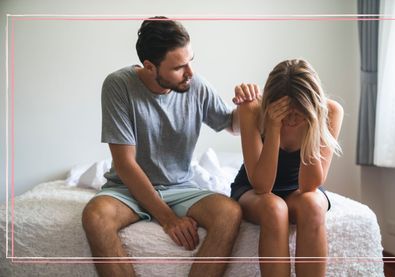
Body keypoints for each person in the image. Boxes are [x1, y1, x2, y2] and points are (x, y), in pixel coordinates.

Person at [82, 16, 247, 277]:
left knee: (229, 212)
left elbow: (233, 125)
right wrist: (169, 219)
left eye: (191, 61)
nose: (190, 73)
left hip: (181, 187)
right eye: (179, 67)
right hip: (127, 190)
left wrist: (246, 104)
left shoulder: (196, 85)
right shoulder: (118, 85)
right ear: (149, 67)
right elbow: (125, 164)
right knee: (96, 216)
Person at [231, 59, 343, 277]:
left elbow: (310, 186)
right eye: (285, 113)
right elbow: (262, 186)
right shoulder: (252, 109)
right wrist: (273, 127)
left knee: (313, 204)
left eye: (298, 112)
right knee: (274, 208)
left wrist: (311, 126)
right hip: (254, 189)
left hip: (300, 188)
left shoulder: (330, 111)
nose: (291, 120)